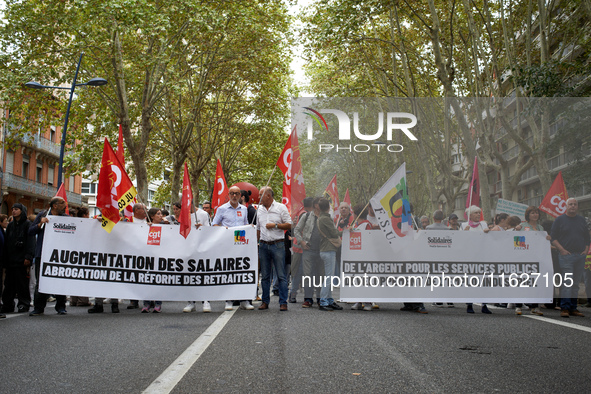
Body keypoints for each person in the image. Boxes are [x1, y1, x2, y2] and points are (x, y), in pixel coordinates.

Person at [212, 185, 254, 311]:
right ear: (228, 195)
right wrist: (221, 229)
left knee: (242, 271)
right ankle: (229, 300)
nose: (234, 196)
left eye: (237, 193)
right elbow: (214, 224)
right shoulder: (222, 209)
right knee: (229, 271)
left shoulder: (244, 209)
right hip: (228, 244)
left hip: (241, 244)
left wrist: (250, 228)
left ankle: (244, 300)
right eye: (232, 193)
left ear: (240, 195)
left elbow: (245, 223)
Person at [29, 197, 69, 316]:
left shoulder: (66, 219)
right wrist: (40, 224)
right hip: (42, 254)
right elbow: (30, 231)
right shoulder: (42, 215)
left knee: (59, 280)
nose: (65, 205)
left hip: (59, 256)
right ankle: (38, 308)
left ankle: (61, 307)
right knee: (40, 282)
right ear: (55, 206)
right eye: (62, 203)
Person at [550, 198, 590, 318]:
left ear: (577, 206)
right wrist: (561, 249)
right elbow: (553, 237)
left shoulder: (582, 220)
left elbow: (587, 237)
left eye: (575, 204)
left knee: (576, 283)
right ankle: (565, 307)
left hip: (580, 255)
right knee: (567, 282)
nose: (573, 206)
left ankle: (573, 308)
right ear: (566, 206)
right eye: (570, 204)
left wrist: (586, 250)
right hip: (566, 256)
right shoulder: (559, 220)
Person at [257, 186, 291, 311]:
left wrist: (275, 225)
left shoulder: (280, 207)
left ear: (268, 196)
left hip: (278, 245)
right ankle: (265, 302)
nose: (259, 197)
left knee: (281, 275)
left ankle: (283, 302)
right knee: (265, 276)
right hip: (263, 245)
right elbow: (258, 228)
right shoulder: (258, 210)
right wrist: (257, 243)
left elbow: (289, 224)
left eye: (261, 195)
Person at [1, 203, 35, 314]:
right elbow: (6, 243)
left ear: (22, 211)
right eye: (12, 209)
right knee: (8, 284)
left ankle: (23, 304)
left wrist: (28, 257)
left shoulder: (27, 224)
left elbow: (31, 242)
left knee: (22, 284)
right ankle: (8, 304)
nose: (13, 211)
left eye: (16, 209)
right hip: (11, 260)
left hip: (22, 260)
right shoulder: (10, 225)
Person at [517, 206, 549, 316]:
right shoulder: (522, 226)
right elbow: (517, 242)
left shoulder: (540, 228)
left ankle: (534, 306)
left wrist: (547, 239)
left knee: (536, 283)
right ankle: (518, 305)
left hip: (538, 259)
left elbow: (542, 243)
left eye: (536, 213)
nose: (535, 215)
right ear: (528, 215)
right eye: (532, 213)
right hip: (525, 258)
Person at [294, 197, 324, 308]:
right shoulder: (306, 216)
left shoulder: (326, 217)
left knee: (320, 275)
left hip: (322, 250)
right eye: (321, 204)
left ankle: (320, 298)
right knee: (308, 275)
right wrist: (301, 242)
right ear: (316, 205)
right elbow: (297, 229)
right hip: (308, 250)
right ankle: (308, 299)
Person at [183, 202, 213, 313]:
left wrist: (202, 229)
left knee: (203, 274)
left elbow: (210, 231)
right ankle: (191, 302)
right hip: (187, 249)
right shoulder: (183, 215)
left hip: (201, 249)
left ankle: (206, 301)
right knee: (189, 276)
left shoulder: (203, 214)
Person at [317, 198, 343, 311]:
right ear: (328, 207)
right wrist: (346, 230)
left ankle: (329, 300)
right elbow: (334, 232)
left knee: (329, 276)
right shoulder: (325, 219)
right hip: (328, 249)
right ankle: (323, 301)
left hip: (324, 249)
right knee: (329, 277)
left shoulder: (321, 218)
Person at [289, 197, 313, 303]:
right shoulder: (306, 215)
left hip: (299, 248)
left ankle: (294, 294)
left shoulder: (302, 212)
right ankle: (294, 294)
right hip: (302, 249)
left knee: (299, 272)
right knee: (300, 272)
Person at [142, 208, 164, 313]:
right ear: (152, 216)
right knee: (147, 279)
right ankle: (146, 304)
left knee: (158, 280)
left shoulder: (167, 226)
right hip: (148, 257)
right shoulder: (145, 227)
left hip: (161, 257)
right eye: (158, 214)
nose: (161, 216)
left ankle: (158, 304)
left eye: (161, 214)